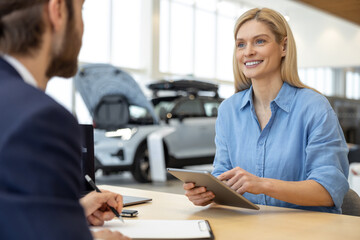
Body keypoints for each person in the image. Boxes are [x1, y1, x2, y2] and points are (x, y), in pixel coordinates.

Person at [183, 8, 349, 214]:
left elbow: (330, 190)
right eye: (241, 44)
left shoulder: (314, 107)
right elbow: (223, 175)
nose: (248, 51)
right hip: (249, 227)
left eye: (259, 41)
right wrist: (208, 193)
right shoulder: (229, 110)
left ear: (284, 47)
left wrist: (261, 184)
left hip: (306, 230)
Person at [0, 0, 129, 239]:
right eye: (81, 10)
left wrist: (67, 214)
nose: (82, 26)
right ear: (57, 10)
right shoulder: (41, 118)